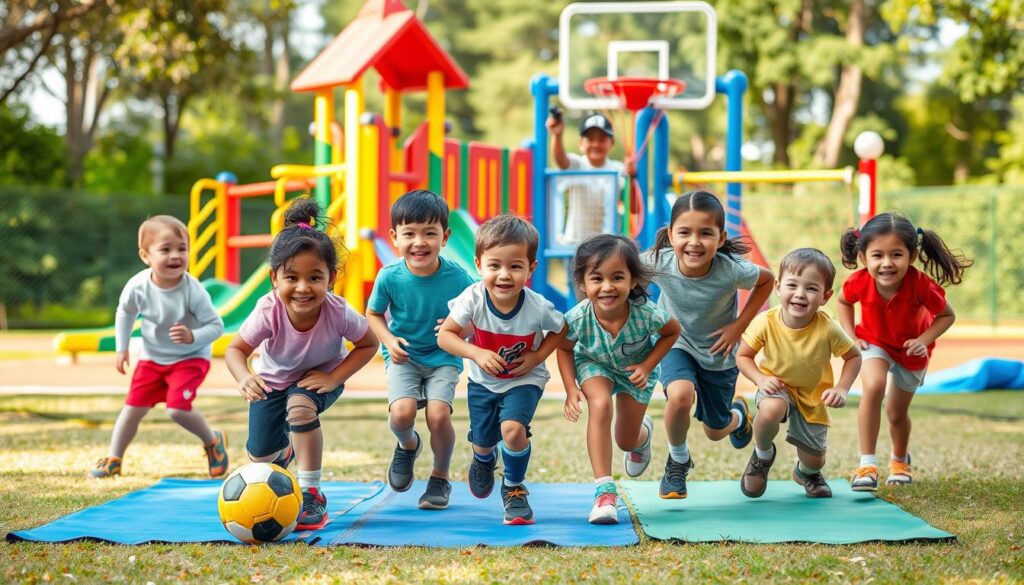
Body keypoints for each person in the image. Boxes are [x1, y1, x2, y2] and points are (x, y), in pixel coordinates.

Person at [225, 199, 378, 531]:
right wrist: (244, 377)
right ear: (274, 278)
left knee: (300, 408)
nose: (303, 287)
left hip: (318, 378)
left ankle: (311, 493)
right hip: (271, 381)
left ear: (331, 278)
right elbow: (235, 350)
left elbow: (368, 344)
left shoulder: (338, 311)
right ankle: (285, 451)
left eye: (315, 277)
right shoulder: (268, 310)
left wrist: (334, 376)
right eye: (291, 277)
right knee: (262, 457)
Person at [643, 191, 774, 499]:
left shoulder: (731, 269)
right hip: (676, 343)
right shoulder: (657, 262)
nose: (694, 242)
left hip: (718, 353)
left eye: (705, 233)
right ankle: (678, 460)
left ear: (721, 237)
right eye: (684, 232)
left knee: (715, 431)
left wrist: (738, 327)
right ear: (670, 235)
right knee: (680, 394)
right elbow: (622, 272)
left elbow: (767, 281)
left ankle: (739, 416)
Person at [437, 215, 566, 525]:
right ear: (479, 264)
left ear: (531, 268)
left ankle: (513, 487)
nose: (504, 275)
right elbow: (445, 336)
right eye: (495, 266)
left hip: (524, 380)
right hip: (483, 382)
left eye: (515, 266)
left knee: (512, 430)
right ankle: (483, 458)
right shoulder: (472, 298)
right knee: (483, 441)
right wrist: (476, 353)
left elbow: (562, 331)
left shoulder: (538, 307)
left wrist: (537, 358)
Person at [838, 212, 972, 491]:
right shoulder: (859, 281)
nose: (887, 263)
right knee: (873, 387)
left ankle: (899, 460)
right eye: (877, 255)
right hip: (874, 342)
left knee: (897, 414)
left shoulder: (921, 285)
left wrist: (924, 339)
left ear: (911, 256)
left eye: (896, 255)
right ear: (864, 258)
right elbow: (843, 302)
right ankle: (867, 465)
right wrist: (850, 336)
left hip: (912, 351)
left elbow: (947, 316)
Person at [90, 215, 227, 479]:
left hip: (190, 358)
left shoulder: (193, 290)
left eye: (182, 248)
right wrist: (122, 348)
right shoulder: (138, 286)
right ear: (145, 255)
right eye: (166, 249)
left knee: (176, 410)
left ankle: (213, 441)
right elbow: (125, 313)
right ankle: (114, 459)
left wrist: (193, 336)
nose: (176, 255)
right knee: (132, 409)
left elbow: (216, 326)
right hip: (153, 358)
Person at [558, 234, 681, 524]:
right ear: (583, 283)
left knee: (625, 440)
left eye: (617, 277)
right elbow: (563, 347)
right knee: (599, 405)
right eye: (596, 278)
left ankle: (642, 435)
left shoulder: (647, 314)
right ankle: (604, 491)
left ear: (633, 280)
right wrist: (570, 388)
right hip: (594, 363)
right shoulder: (577, 318)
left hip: (634, 372)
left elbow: (672, 333)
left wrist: (648, 365)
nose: (607, 287)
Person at [366, 190, 475, 510]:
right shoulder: (389, 276)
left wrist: (458, 329)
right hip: (405, 357)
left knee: (438, 415)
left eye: (430, 233)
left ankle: (440, 477)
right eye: (410, 233)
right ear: (394, 237)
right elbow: (373, 315)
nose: (420, 242)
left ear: (445, 236)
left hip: (443, 357)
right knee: (401, 415)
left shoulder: (458, 277)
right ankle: (407, 445)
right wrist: (388, 341)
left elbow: (476, 314)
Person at [736, 248, 862, 498]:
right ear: (778, 287)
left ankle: (807, 472)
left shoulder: (828, 328)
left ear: (825, 296)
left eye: (811, 288)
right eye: (792, 285)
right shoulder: (766, 322)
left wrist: (841, 388)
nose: (800, 294)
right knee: (770, 409)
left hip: (812, 396)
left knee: (815, 460)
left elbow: (854, 356)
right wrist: (761, 379)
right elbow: (743, 356)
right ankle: (762, 456)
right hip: (776, 388)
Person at [547, 111, 636, 244]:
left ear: (611, 142)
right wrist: (557, 135)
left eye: (601, 139)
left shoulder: (617, 169)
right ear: (581, 143)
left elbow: (633, 207)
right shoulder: (578, 165)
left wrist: (631, 178)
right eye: (590, 139)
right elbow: (561, 160)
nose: (595, 144)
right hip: (576, 242)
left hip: (607, 243)